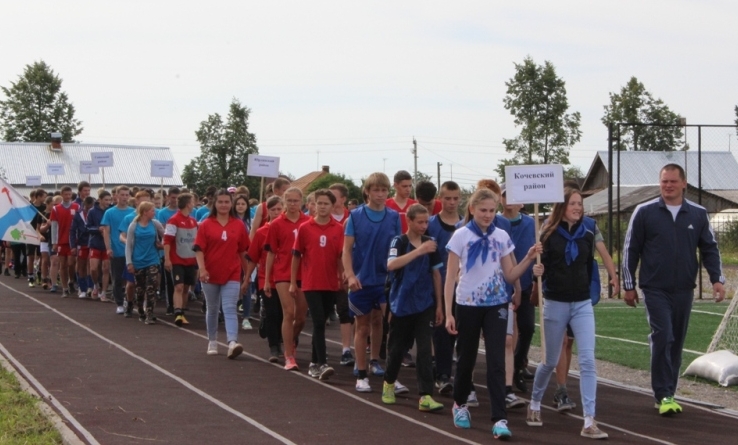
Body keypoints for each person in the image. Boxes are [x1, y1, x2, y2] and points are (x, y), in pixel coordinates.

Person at [623, 163, 725, 415]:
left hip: (683, 290)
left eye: (672, 181)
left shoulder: (698, 214)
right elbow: (630, 249)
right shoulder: (644, 212)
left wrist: (717, 280)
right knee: (663, 335)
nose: (667, 186)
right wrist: (628, 285)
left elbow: (710, 249)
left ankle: (670, 391)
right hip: (654, 288)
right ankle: (663, 393)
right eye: (663, 181)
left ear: (683, 184)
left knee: (676, 342)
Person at [444, 188, 541, 440]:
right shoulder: (460, 236)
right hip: (467, 304)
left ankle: (499, 418)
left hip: (497, 303)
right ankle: (460, 403)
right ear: (473, 209)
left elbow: (510, 274)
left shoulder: (502, 236)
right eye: (483, 210)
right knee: (466, 358)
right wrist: (448, 312)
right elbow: (450, 278)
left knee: (496, 361)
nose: (488, 215)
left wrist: (529, 258)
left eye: (492, 210)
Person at [527, 186, 617, 440]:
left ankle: (589, 420)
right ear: (561, 206)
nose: (578, 207)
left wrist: (613, 276)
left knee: (587, 360)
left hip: (581, 304)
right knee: (549, 361)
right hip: (555, 303)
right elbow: (537, 267)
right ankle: (535, 402)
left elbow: (600, 256)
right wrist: (537, 271)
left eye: (580, 203)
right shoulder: (547, 232)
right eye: (573, 203)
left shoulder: (588, 230)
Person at [381, 204, 444, 412]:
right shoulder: (399, 241)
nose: (424, 226)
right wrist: (419, 251)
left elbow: (436, 274)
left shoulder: (430, 243)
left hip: (424, 302)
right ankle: (389, 383)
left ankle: (425, 395)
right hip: (402, 302)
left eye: (426, 222)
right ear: (409, 221)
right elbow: (391, 265)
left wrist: (439, 306)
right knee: (397, 347)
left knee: (425, 349)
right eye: (420, 222)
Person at [343, 172, 401, 392]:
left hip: (385, 280)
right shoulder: (355, 217)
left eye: (384, 190)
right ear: (367, 191)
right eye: (376, 190)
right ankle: (361, 372)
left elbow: (398, 248)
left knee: (383, 323)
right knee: (362, 326)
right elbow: (346, 250)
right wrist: (350, 274)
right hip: (361, 280)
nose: (380, 194)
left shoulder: (394, 217)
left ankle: (376, 361)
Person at [291, 189, 344, 380]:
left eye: (326, 204)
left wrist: (342, 276)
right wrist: (292, 282)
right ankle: (322, 363)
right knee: (319, 321)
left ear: (332, 206)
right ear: (313, 205)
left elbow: (340, 256)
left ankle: (314, 363)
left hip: (330, 283)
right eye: (319, 203)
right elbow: (296, 255)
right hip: (311, 282)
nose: (322, 207)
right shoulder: (305, 228)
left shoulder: (338, 228)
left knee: (321, 323)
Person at [194, 189, 250, 359]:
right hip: (210, 273)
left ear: (231, 203)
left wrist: (247, 275)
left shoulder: (239, 225)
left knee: (230, 308)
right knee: (212, 308)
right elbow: (199, 249)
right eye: (221, 202)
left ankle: (232, 342)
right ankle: (212, 340)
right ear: (215, 204)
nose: (224, 205)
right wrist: (202, 269)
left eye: (227, 202)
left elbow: (242, 251)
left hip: (232, 272)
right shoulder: (206, 224)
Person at [264, 187, 310, 371]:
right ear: (284, 202)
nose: (292, 204)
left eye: (295, 201)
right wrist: (267, 279)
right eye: (289, 201)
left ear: (302, 202)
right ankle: (289, 355)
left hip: (304, 274)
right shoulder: (276, 224)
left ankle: (290, 340)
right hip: (282, 273)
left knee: (300, 318)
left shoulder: (308, 222)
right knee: (288, 313)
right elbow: (270, 253)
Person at [500, 188, 537, 401]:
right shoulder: (496, 221)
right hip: (504, 286)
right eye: (505, 195)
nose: (509, 200)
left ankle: (519, 362)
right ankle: (506, 373)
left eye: (513, 196)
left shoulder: (531, 223)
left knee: (528, 327)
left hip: (525, 283)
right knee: (506, 335)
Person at [427, 181, 461, 396]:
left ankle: (453, 374)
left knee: (458, 333)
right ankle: (442, 375)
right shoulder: (431, 224)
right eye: (447, 198)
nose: (451, 202)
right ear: (440, 198)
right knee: (441, 332)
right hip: (438, 287)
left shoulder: (467, 225)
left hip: (463, 288)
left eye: (456, 198)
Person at [246, 196, 284, 362]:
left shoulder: (291, 229)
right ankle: (274, 347)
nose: (276, 213)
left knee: (285, 313)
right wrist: (247, 278)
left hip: (286, 278)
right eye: (273, 209)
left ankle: (285, 340)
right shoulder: (262, 232)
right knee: (273, 312)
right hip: (266, 279)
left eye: (279, 209)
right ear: (267, 211)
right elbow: (253, 258)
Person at [125, 202, 164, 323]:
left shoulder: (155, 224)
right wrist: (129, 262)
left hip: (152, 259)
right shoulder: (133, 225)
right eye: (152, 211)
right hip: (138, 260)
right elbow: (128, 245)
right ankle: (141, 310)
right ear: (145, 212)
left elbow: (166, 235)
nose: (155, 212)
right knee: (140, 289)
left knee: (151, 286)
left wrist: (162, 245)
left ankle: (150, 313)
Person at [329, 183, 355, 366]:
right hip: (322, 273)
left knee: (345, 311)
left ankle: (346, 349)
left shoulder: (352, 218)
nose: (329, 199)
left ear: (343, 199)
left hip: (344, 272)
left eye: (334, 196)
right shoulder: (321, 217)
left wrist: (348, 271)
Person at [163, 193, 198, 327]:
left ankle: (182, 312)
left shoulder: (193, 221)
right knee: (179, 286)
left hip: (190, 260)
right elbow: (167, 240)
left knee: (186, 288)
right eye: (193, 202)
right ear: (188, 204)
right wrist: (167, 259)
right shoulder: (173, 220)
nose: (194, 205)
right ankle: (177, 312)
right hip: (177, 260)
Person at [102, 186, 134, 314]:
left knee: (130, 279)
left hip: (131, 251)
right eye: (122, 195)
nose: (125, 197)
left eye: (127, 195)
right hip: (117, 250)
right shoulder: (109, 212)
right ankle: (119, 303)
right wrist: (108, 248)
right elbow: (106, 231)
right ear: (116, 196)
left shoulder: (134, 212)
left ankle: (128, 299)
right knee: (117, 278)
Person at [50, 186, 81, 297]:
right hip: (61, 240)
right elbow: (54, 226)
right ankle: (65, 288)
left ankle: (71, 280)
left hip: (73, 241)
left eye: (70, 194)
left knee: (71, 263)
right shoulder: (56, 209)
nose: (68, 196)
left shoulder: (77, 207)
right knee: (62, 265)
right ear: (62, 194)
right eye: (66, 194)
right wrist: (54, 242)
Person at [157, 187, 180, 314]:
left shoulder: (187, 211)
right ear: (168, 198)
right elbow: (164, 232)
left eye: (177, 198)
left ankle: (180, 304)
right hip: (169, 250)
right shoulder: (162, 213)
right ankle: (170, 304)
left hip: (183, 250)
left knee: (182, 281)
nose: (175, 200)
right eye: (173, 197)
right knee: (170, 280)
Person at [87, 190, 112, 301]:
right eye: (106, 200)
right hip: (95, 243)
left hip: (107, 244)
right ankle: (95, 284)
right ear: (100, 200)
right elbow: (87, 227)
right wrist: (98, 229)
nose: (108, 202)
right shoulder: (92, 211)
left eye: (109, 200)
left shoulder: (111, 211)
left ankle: (104, 292)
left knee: (106, 268)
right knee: (93, 268)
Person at [233, 194, 253, 329]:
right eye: (238, 203)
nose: (240, 206)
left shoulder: (251, 221)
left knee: (247, 285)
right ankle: (226, 314)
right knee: (231, 288)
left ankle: (246, 317)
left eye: (243, 204)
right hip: (232, 259)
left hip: (247, 258)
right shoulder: (230, 221)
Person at [70, 197, 95, 298]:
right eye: (88, 206)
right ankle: (83, 288)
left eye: (91, 206)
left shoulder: (95, 213)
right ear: (84, 205)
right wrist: (73, 245)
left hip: (93, 242)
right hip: (82, 243)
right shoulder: (78, 214)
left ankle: (91, 286)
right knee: (82, 265)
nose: (89, 208)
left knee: (92, 265)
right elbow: (72, 231)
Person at [27, 189, 47, 287]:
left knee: (41, 256)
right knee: (31, 256)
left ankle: (39, 274)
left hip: (41, 234)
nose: (45, 199)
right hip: (31, 233)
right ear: (38, 196)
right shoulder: (29, 207)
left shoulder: (44, 207)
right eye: (43, 197)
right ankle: (30, 277)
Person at [386, 170, 416, 234]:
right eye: (404, 186)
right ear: (395, 185)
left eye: (410, 186)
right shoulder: (385, 205)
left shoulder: (415, 205)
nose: (408, 189)